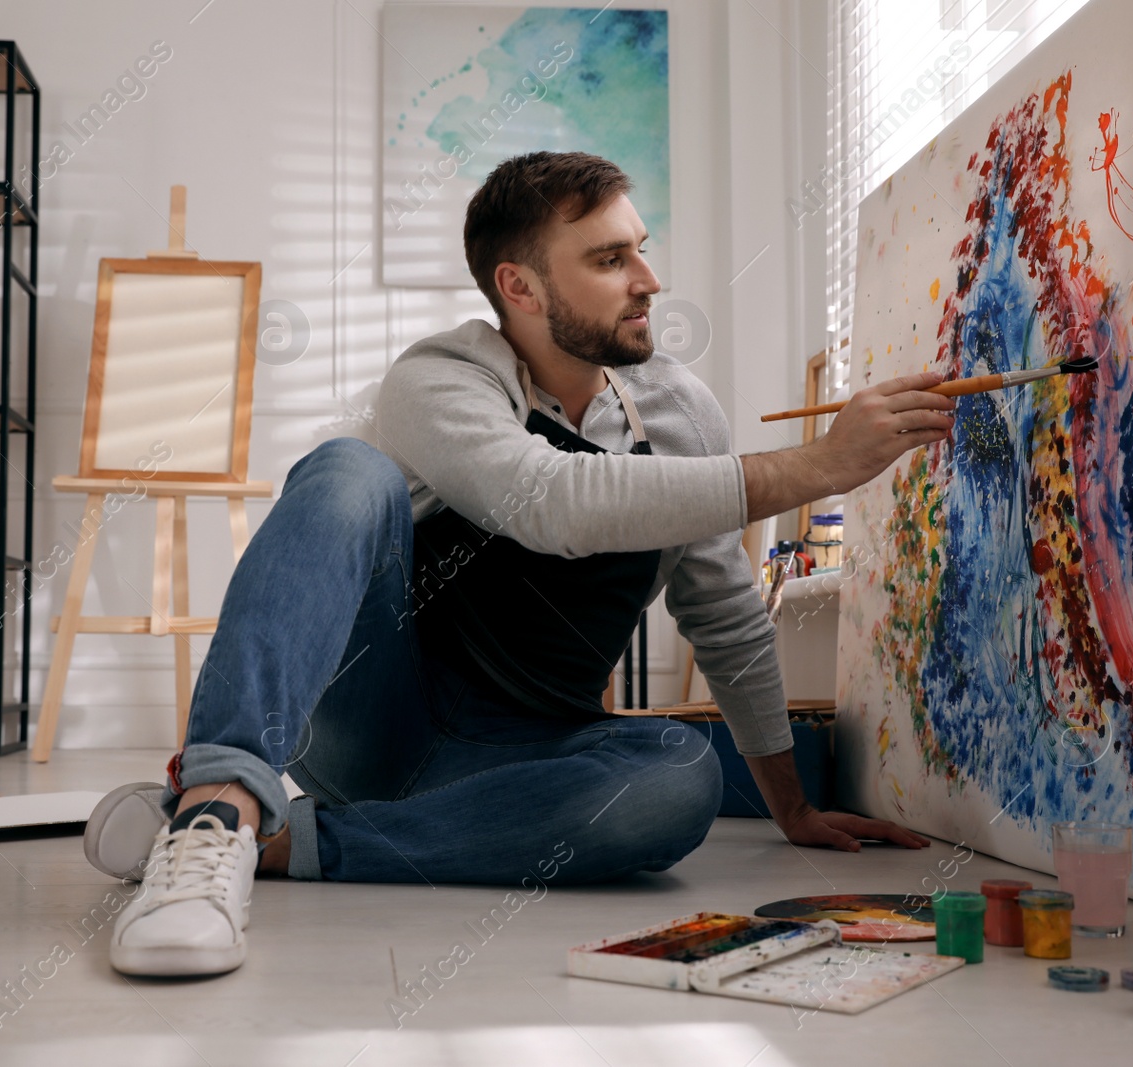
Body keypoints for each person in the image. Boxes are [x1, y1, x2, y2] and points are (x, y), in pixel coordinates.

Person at [85, 151, 954, 978]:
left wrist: (791, 806)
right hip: (375, 721)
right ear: (521, 286)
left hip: (521, 758)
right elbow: (547, 502)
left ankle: (283, 846)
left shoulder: (683, 414)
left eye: (641, 251)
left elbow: (722, 610)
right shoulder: (440, 379)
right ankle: (216, 813)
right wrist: (817, 466)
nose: (649, 281)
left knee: (680, 777)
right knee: (346, 470)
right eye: (611, 259)